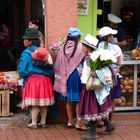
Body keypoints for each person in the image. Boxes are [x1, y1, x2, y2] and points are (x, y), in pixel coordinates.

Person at [77, 34, 115, 139]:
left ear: (88, 48)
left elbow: (100, 72)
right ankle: (109, 125)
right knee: (99, 108)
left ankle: (92, 133)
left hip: (93, 89)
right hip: (95, 88)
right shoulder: (93, 57)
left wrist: (95, 73)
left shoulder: (92, 59)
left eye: (83, 46)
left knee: (92, 109)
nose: (82, 48)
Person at [18, 28, 54, 129]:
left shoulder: (26, 53)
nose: (24, 41)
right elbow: (51, 67)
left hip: (33, 80)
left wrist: (24, 74)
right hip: (45, 80)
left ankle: (34, 122)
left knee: (34, 103)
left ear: (30, 41)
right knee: (43, 102)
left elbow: (22, 70)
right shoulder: (44, 51)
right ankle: (43, 122)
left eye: (26, 39)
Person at [53, 27, 87, 129]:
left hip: (65, 76)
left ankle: (70, 121)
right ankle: (79, 123)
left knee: (68, 100)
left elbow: (58, 63)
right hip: (77, 75)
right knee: (78, 100)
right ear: (78, 37)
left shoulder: (62, 47)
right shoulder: (81, 47)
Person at [98, 26, 123, 122]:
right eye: (111, 36)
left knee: (101, 99)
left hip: (101, 77)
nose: (112, 37)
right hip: (114, 77)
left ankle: (100, 120)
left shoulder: (96, 48)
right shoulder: (116, 48)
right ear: (108, 37)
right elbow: (120, 64)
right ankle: (109, 120)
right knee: (112, 100)